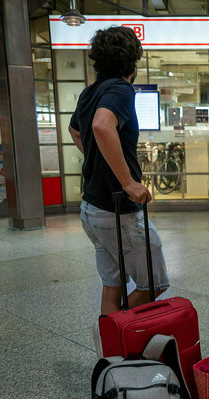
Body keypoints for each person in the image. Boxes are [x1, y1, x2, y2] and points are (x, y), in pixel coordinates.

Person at [69, 26, 169, 315]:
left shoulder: (90, 91)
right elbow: (101, 125)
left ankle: (110, 351)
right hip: (118, 211)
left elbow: (75, 130)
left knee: (113, 284)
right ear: (133, 61)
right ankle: (115, 329)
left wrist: (98, 160)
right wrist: (127, 181)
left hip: (92, 208)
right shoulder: (121, 89)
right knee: (154, 284)